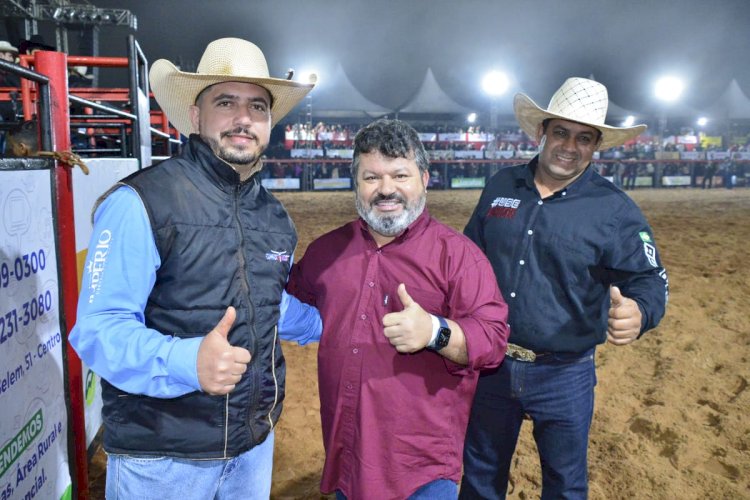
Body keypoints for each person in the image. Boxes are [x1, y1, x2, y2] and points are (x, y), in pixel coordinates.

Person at [69, 38, 321, 499]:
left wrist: (337, 320)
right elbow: (98, 330)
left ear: (268, 124)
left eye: (258, 106)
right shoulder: (140, 202)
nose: (243, 118)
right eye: (226, 102)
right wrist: (186, 361)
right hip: (162, 461)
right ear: (196, 115)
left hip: (252, 450)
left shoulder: (274, 217)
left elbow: (269, 304)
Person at [460, 77, 669, 499]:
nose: (569, 146)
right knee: (480, 478)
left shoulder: (614, 209)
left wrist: (640, 312)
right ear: (542, 132)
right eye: (560, 132)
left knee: (565, 486)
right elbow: (467, 260)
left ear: (595, 146)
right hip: (491, 365)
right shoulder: (502, 186)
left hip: (565, 373)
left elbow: (650, 279)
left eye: (583, 138)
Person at [287, 119, 510, 499]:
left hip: (421, 472)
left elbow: (493, 338)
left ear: (424, 178)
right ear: (355, 183)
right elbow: (284, 300)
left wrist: (435, 332)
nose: (386, 189)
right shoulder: (325, 253)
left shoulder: (457, 257)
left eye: (400, 175)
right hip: (347, 459)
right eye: (371, 177)